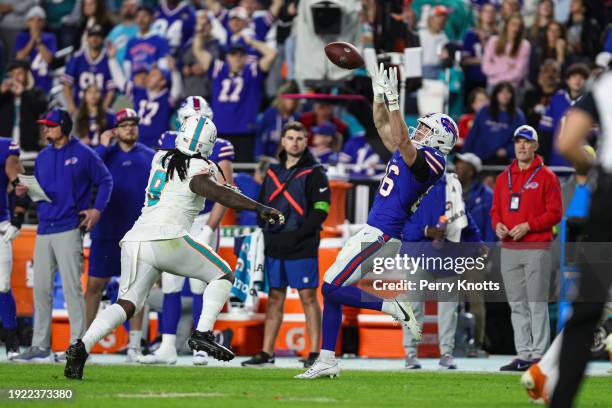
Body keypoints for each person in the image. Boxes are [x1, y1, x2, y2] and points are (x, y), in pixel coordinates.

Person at [63, 115, 284, 380]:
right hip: (168, 237)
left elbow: (205, 178)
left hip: (136, 238)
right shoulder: (198, 166)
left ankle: (82, 347)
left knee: (128, 303)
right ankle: (203, 333)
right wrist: (261, 208)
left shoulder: (162, 157)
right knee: (223, 275)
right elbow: (217, 193)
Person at [296, 62, 456, 379]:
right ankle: (327, 358)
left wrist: (396, 102)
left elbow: (403, 140)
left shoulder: (433, 161)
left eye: (426, 129)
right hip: (374, 230)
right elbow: (383, 126)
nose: (418, 130)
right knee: (332, 288)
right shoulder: (411, 148)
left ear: (438, 139)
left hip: (383, 235)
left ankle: (391, 307)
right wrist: (379, 97)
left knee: (330, 285)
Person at [139, 97, 236, 366]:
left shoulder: (221, 146)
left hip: (201, 218)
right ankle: (167, 344)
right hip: (174, 218)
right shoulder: (169, 139)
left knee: (200, 284)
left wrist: (209, 227)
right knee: (170, 283)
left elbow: (225, 191)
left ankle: (200, 346)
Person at [12, 108, 113, 362]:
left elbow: (105, 180)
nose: (45, 129)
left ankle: (78, 346)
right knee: (41, 289)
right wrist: (27, 191)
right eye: (44, 125)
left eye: (50, 125)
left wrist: (96, 210)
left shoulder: (84, 153)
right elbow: (43, 193)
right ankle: (40, 345)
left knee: (71, 290)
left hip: (69, 227)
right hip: (44, 228)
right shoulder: (43, 157)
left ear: (64, 127)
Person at [536, 75, 612, 408]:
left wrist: (593, 168)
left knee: (587, 308)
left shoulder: (607, 84)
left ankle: (561, 399)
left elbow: (567, 142)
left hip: (609, 196)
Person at [241, 122, 329, 369]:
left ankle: (314, 353)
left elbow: (321, 210)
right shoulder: (271, 172)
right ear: (282, 141)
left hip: (302, 244)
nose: (294, 142)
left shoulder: (315, 173)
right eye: (290, 138)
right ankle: (266, 353)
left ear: (305, 141)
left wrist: (299, 234)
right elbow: (260, 205)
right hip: (274, 243)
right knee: (274, 298)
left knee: (309, 298)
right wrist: (264, 223)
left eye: (299, 138)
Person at [84, 108, 155, 362]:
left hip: (137, 233)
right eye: (124, 124)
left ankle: (135, 345)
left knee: (136, 290)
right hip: (106, 231)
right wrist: (102, 147)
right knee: (94, 286)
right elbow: (89, 177)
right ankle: (84, 342)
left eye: (133, 124)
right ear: (115, 129)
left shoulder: (150, 156)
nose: (130, 128)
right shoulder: (103, 155)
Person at [490, 125, 562, 371]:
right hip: (509, 248)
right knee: (517, 304)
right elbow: (495, 210)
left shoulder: (547, 177)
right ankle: (523, 354)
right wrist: (497, 225)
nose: (521, 146)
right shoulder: (503, 177)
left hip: (536, 248)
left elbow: (555, 213)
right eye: (517, 142)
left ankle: (539, 355)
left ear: (535, 145)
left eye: (526, 141)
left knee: (536, 303)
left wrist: (528, 226)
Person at [402, 173, 484, 370]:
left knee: (448, 309)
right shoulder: (411, 183)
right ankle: (410, 354)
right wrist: (425, 231)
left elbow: (462, 216)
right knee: (414, 307)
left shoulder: (451, 183)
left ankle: (446, 353)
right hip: (419, 255)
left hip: (447, 256)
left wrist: (477, 241)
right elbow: (402, 224)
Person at [192, 20, 276, 162]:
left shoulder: (252, 71)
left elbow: (271, 54)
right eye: (233, 54)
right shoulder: (219, 69)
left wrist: (252, 42)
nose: (237, 57)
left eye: (241, 54)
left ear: (246, 57)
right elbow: (198, 50)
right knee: (217, 173)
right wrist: (200, 32)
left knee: (242, 172)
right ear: (227, 57)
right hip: (220, 130)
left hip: (244, 131)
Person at [108, 44, 182, 148]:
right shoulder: (140, 92)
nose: (149, 77)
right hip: (137, 145)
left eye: (154, 75)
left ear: (162, 82)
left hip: (157, 148)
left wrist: (174, 71)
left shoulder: (166, 98)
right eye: (150, 74)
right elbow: (121, 82)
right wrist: (112, 59)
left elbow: (177, 90)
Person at [0, 138, 27, 359]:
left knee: (2, 285)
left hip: (0, 225)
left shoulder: (5, 147)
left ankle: (11, 342)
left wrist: (18, 217)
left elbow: (22, 183)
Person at [463, 82, 526, 164]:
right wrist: (464, 155)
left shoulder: (518, 116)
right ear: (496, 94)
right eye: (501, 92)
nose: (505, 95)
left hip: (504, 160)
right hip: (480, 158)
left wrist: (508, 150)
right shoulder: (484, 111)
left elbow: (522, 139)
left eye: (508, 92)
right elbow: (472, 135)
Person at [539, 63, 590, 166]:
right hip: (556, 161)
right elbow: (545, 131)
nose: (578, 80)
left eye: (582, 77)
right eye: (574, 77)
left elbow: (594, 136)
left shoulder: (590, 101)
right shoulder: (557, 98)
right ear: (567, 80)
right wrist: (542, 155)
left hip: (581, 164)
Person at [61, 25, 116, 115]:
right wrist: (71, 105)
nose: (94, 38)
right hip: (80, 108)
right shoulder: (77, 57)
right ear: (87, 38)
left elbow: (111, 89)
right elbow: (67, 84)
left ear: (103, 39)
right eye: (91, 35)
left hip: (100, 110)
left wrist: (104, 108)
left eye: (98, 35)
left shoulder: (108, 58)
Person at [0, 60, 47, 156]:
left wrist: (23, 94)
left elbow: (41, 107)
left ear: (27, 75)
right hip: (6, 150)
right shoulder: (5, 96)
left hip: (30, 150)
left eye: (19, 73)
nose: (16, 77)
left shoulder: (37, 93)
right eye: (12, 74)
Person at [14, 6, 58, 94]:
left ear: (44, 23)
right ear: (27, 23)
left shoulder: (50, 37)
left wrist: (39, 42)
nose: (36, 23)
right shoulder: (22, 37)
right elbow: (20, 57)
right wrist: (32, 40)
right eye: (32, 19)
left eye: (39, 20)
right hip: (26, 81)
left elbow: (49, 59)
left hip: (44, 82)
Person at [482, 13, 531, 88]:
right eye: (513, 24)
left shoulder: (525, 45)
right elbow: (485, 68)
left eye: (519, 26)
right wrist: (506, 67)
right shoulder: (493, 41)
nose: (516, 29)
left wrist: (497, 69)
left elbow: (519, 73)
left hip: (512, 86)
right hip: (493, 85)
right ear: (507, 25)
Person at [124, 6, 170, 83]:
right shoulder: (131, 42)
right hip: (136, 84)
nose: (141, 20)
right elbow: (127, 67)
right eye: (138, 17)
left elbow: (164, 67)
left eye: (144, 16)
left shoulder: (160, 40)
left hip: (153, 83)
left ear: (152, 19)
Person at [255, 81, 300, 159]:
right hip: (267, 159)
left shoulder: (296, 118)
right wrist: (259, 155)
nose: (291, 102)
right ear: (281, 98)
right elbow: (260, 136)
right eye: (288, 98)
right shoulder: (270, 114)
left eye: (294, 99)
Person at [461, 3, 497, 99]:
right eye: (486, 11)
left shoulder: (498, 35)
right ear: (481, 14)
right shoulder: (470, 34)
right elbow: (465, 60)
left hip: (493, 79)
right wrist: (486, 60)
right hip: (473, 79)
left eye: (492, 12)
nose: (489, 14)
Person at [105, 0, 140, 68]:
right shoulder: (114, 31)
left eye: (132, 6)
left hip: (137, 71)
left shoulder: (143, 28)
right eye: (125, 6)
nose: (128, 9)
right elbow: (107, 50)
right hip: (117, 71)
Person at [419, 5, 449, 80]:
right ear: (431, 18)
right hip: (421, 70)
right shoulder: (421, 35)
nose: (441, 20)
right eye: (438, 16)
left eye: (444, 17)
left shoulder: (444, 38)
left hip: (439, 71)